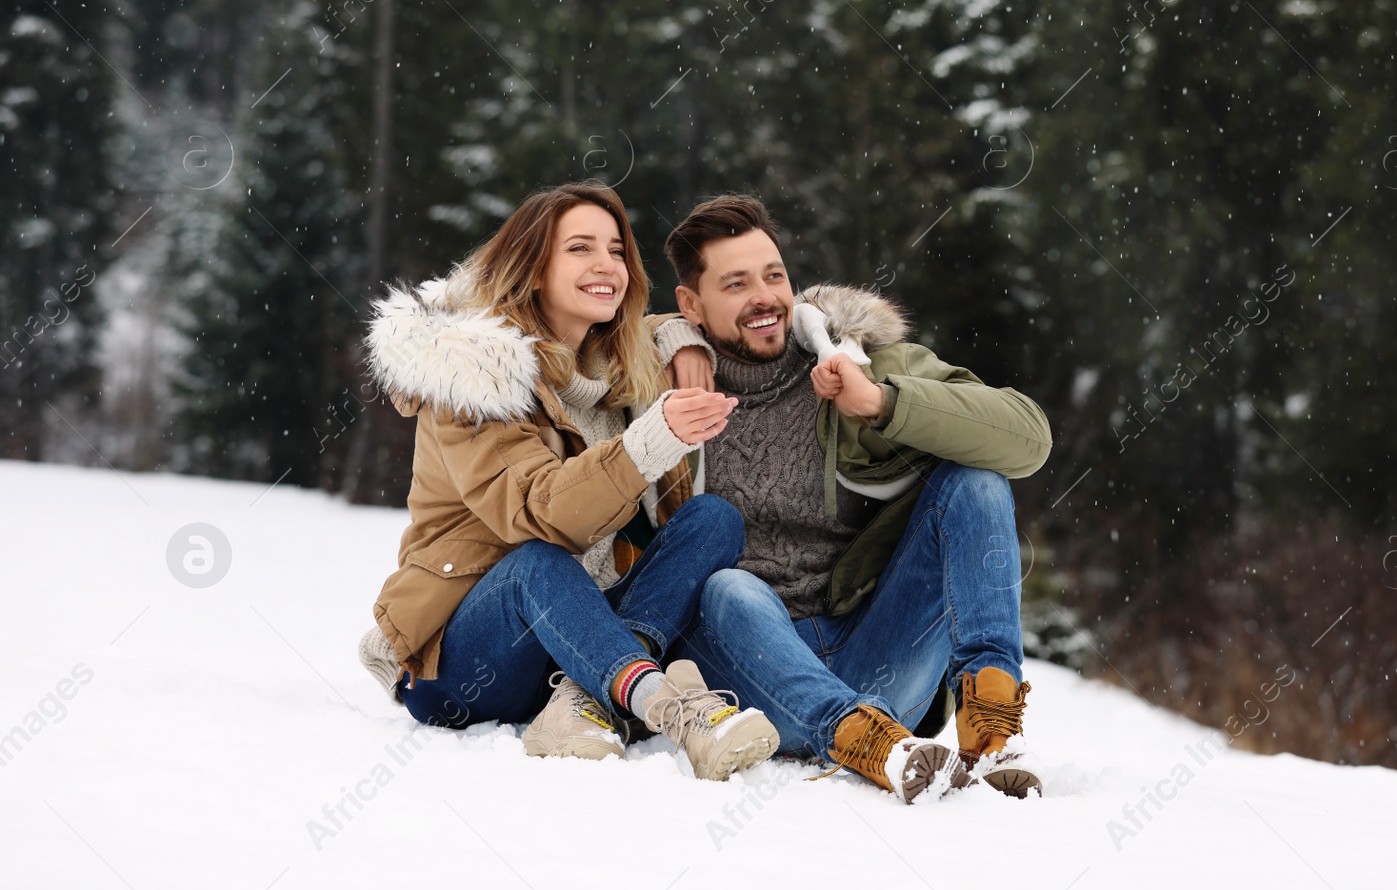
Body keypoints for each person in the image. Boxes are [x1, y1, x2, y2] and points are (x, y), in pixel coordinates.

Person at [355, 181, 779, 781]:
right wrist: (647, 444)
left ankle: (586, 695)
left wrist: (682, 336)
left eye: (616, 249)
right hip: (466, 662)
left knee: (713, 520)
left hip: (575, 642)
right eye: (580, 249)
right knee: (538, 561)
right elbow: (537, 511)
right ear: (532, 269)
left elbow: (675, 317)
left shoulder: (621, 366)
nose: (606, 265)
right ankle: (667, 707)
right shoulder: (473, 378)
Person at [653, 195, 1053, 802]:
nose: (764, 297)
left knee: (975, 482)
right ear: (691, 304)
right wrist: (668, 336)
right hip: (754, 681)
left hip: (879, 658)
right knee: (727, 586)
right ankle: (852, 732)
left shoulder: (855, 361)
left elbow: (1027, 439)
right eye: (735, 284)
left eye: (774, 276)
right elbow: (582, 328)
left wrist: (881, 404)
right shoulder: (660, 387)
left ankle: (991, 730)